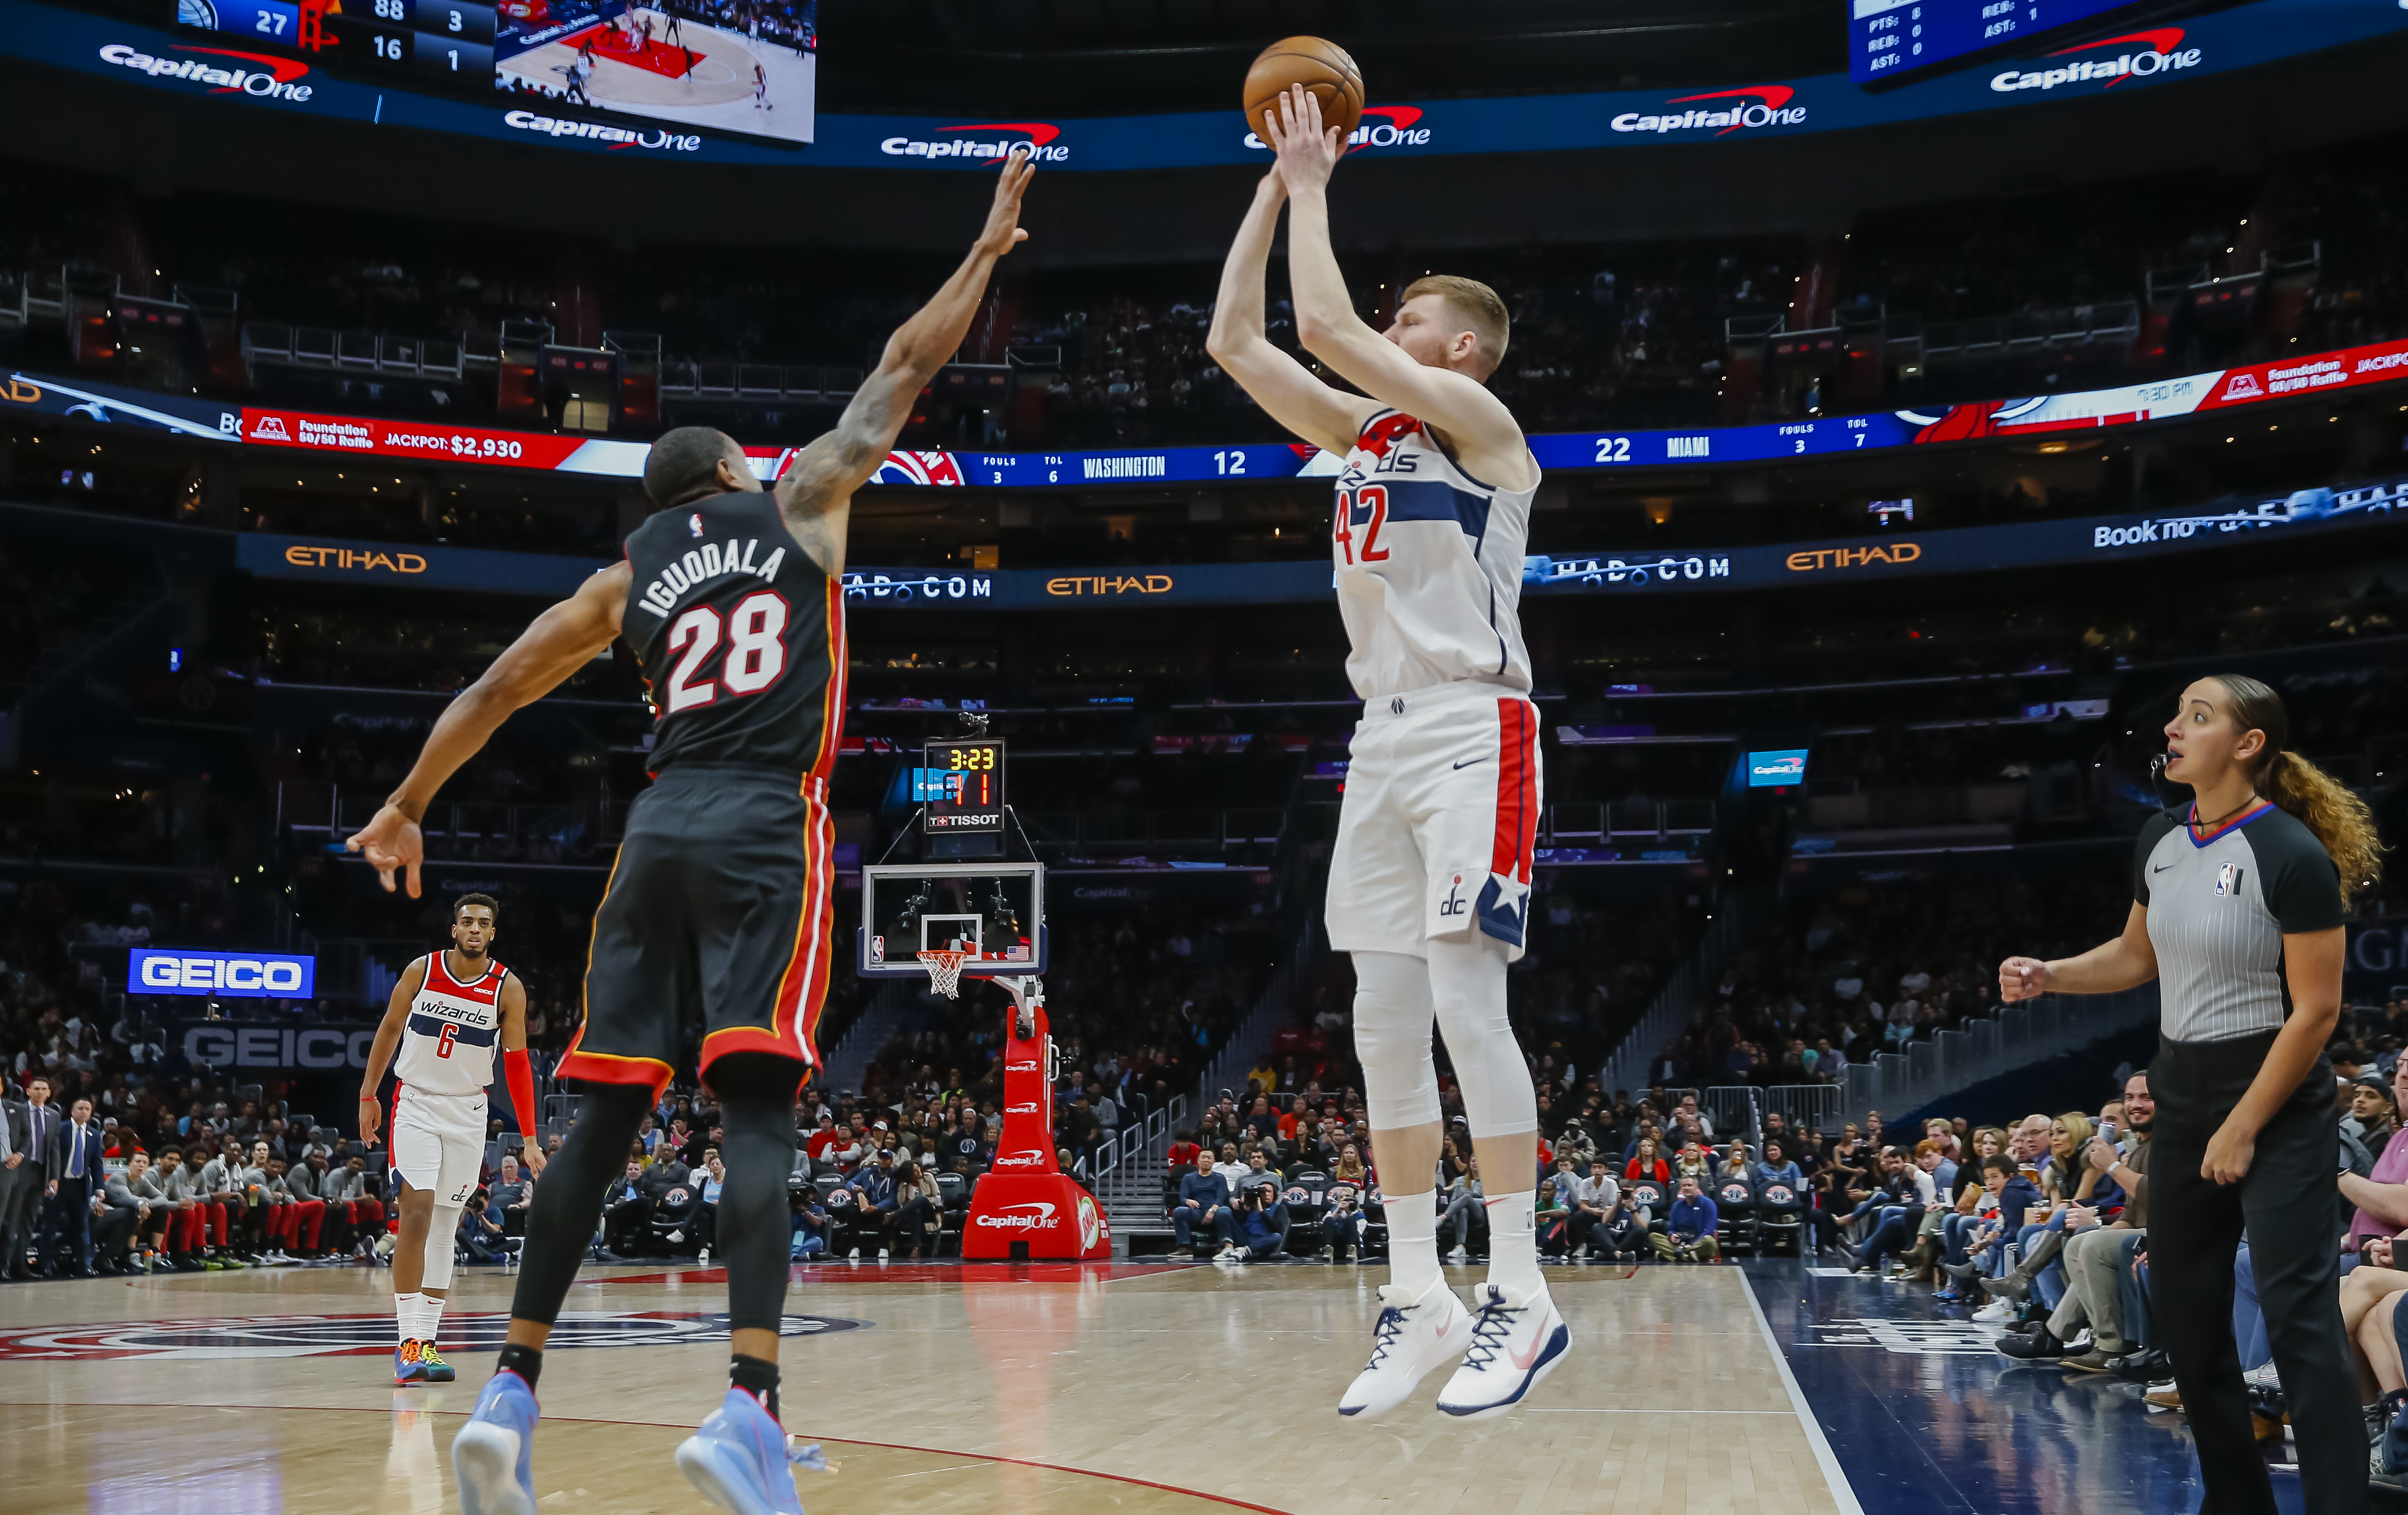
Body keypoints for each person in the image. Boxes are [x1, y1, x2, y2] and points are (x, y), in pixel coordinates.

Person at [342, 153, 1039, 1515]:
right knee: (760, 1102)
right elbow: (902, 367)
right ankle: (749, 1404)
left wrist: (406, 802)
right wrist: (989, 248)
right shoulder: (800, 500)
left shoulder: (626, 577)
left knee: (604, 1108)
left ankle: (509, 1388)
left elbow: (493, 686)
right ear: (730, 471)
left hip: (653, 834)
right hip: (762, 827)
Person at [1209, 84, 1557, 1421]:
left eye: (1412, 319)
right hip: (1381, 734)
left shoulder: (1486, 436)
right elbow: (1242, 335)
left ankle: (1522, 1288)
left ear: (1460, 347)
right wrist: (1268, 182)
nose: (1388, 330)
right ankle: (1422, 1290)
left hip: (1478, 725)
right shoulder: (1361, 437)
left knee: (1473, 1005)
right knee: (1379, 1024)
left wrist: (1314, 179)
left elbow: (1320, 322)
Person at [1999, 674, 2381, 1515]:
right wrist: (2050, 974)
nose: (2174, 728)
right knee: (2185, 1307)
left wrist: (2245, 1124)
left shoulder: (2290, 853)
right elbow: (2137, 957)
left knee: (2299, 1319)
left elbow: (2317, 1011)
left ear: (2248, 745)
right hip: (2183, 1088)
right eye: (2177, 714)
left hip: (2275, 1099)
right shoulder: (2161, 838)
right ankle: (2235, 1502)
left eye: (2198, 717)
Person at [358, 893, 542, 1387]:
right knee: (415, 1210)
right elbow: (390, 1027)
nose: (475, 929)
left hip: (468, 1111)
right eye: (467, 921)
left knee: (444, 1225)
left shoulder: (508, 988)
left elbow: (518, 1064)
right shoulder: (422, 970)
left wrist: (529, 1136)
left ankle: (427, 1342)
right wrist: (368, 1093)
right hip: (415, 1101)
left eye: (484, 923)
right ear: (454, 929)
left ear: (493, 932)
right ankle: (406, 1343)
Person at [44, 1096, 103, 1277]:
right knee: (50, 1226)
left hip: (80, 1186)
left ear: (91, 1113)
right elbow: (49, 1157)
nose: (83, 1112)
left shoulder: (94, 1135)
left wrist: (99, 1189)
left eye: (87, 1109)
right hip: (59, 1184)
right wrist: (49, 1181)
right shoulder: (60, 1129)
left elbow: (97, 1164)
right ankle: (46, 1264)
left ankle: (84, 1264)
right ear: (72, 1111)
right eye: (80, 1108)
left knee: (82, 1226)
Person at [1172, 1148, 1234, 1258]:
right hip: (1197, 1211)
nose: (1206, 1160)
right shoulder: (1188, 1178)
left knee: (1225, 1212)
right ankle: (1185, 1247)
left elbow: (1221, 1197)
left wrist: (1212, 1210)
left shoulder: (1220, 1178)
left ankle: (1223, 1246)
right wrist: (1188, 1201)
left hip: (1216, 1210)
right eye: (1204, 1157)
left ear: (1214, 1161)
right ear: (1198, 1160)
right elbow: (1183, 1197)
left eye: (1209, 1158)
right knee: (1179, 1211)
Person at [1652, 1175, 1720, 1263]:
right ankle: (1687, 1256)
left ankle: (1673, 1254)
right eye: (1684, 1186)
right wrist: (1671, 1235)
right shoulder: (1676, 1206)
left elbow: (1710, 1230)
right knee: (1653, 1236)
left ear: (1697, 1188)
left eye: (1690, 1185)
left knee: (1710, 1241)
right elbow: (1671, 1228)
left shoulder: (1708, 1204)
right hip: (1680, 1242)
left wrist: (1692, 1245)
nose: (1686, 1188)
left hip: (1699, 1242)